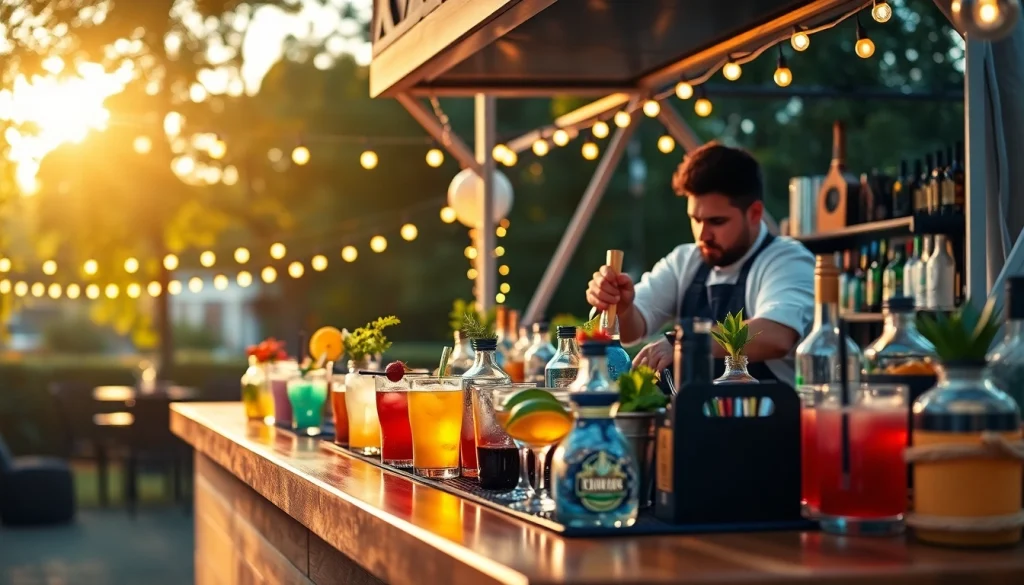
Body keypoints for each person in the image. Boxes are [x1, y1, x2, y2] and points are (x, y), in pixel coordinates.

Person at [585, 142, 814, 384]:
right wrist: (622, 306)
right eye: (696, 219)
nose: (703, 235)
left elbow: (776, 336)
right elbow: (632, 330)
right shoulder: (685, 261)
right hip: (693, 416)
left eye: (717, 221)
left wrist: (684, 342)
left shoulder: (788, 260)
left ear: (755, 213)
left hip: (767, 418)